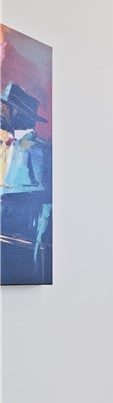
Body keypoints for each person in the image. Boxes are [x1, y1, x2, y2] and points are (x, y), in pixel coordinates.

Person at [0, 82, 52, 284]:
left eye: (3, 107)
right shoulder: (7, 144)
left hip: (22, 239)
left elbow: (45, 198)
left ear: (14, 111)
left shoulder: (39, 150)